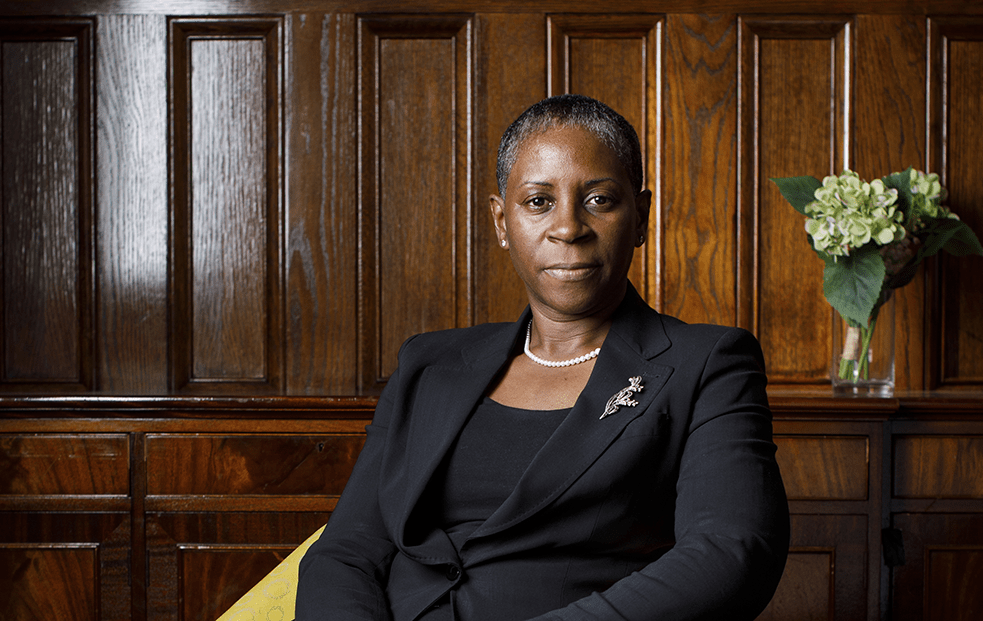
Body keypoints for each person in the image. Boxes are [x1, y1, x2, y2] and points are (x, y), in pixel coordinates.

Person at [296, 94, 789, 620]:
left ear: (641, 217)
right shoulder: (428, 363)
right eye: (538, 202)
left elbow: (730, 553)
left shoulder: (707, 363)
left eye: (599, 200)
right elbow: (345, 554)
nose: (568, 228)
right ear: (501, 221)